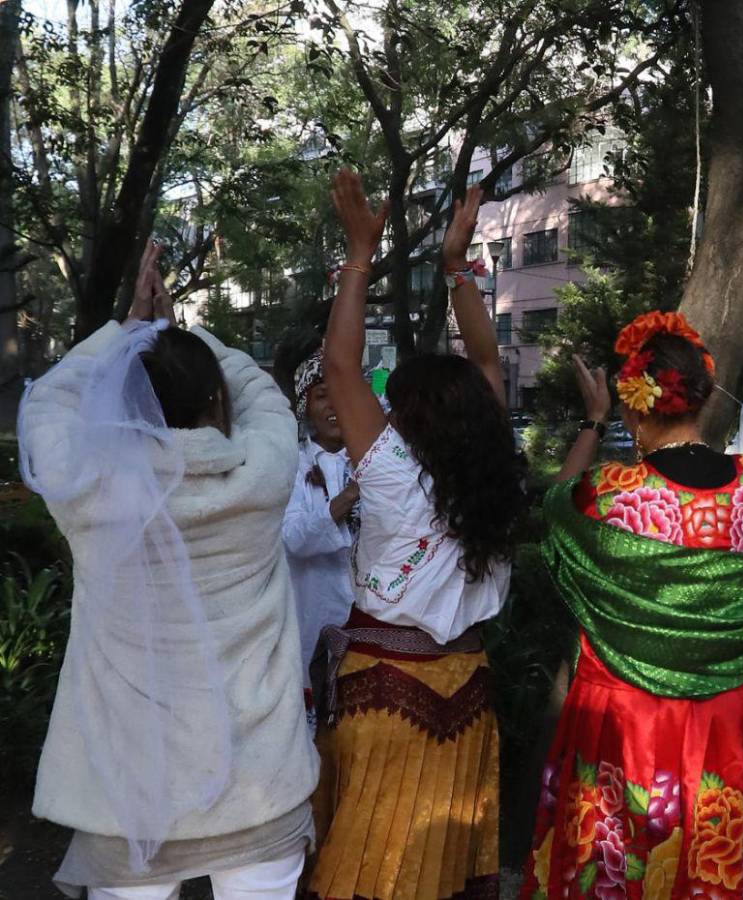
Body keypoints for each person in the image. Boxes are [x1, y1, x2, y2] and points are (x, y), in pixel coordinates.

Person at [19, 241, 319, 899]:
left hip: (130, 804)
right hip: (260, 793)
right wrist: (187, 332)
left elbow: (50, 400)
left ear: (119, 402)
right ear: (214, 398)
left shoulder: (87, 488)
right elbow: (261, 391)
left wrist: (128, 333)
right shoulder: (263, 475)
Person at [519, 310, 743, 899]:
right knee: (717, 865)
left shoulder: (609, 494)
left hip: (623, 722)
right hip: (726, 719)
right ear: (703, 399)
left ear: (633, 406)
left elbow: (551, 507)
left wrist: (593, 422)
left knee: (616, 864)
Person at [306, 172, 525, 900]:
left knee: (364, 871)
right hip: (467, 697)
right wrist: (456, 266)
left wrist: (360, 255)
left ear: (408, 417)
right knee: (435, 879)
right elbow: (489, 363)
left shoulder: (396, 474)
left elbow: (339, 367)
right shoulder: (493, 473)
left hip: (382, 698)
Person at [283, 346, 358, 730]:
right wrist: (346, 499)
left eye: (342, 391)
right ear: (304, 407)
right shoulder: (292, 465)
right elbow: (293, 537)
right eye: (322, 394)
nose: (334, 405)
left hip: (369, 626)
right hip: (311, 621)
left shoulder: (373, 462)